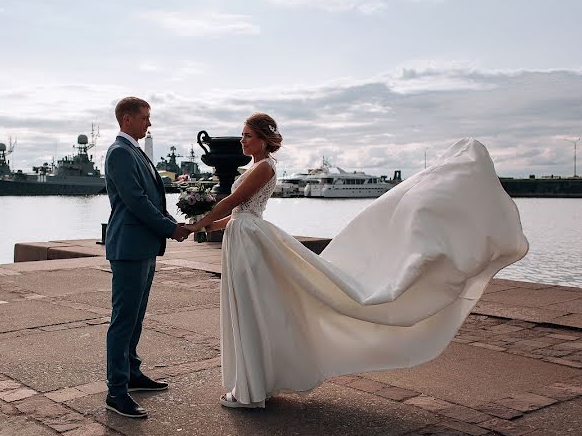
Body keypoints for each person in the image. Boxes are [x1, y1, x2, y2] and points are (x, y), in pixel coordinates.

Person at [185, 113, 529, 408]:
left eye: (247, 136)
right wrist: (207, 226)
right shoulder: (257, 166)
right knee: (250, 305)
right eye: (243, 136)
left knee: (250, 305)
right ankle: (255, 381)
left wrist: (198, 222)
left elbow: (234, 201)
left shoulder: (263, 168)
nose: (242, 141)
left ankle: (250, 390)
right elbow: (236, 213)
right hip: (244, 234)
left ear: (263, 140)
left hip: (249, 239)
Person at [104, 97, 190, 418]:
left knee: (136, 317)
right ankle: (116, 391)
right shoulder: (120, 153)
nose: (149, 124)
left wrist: (169, 226)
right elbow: (137, 202)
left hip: (143, 246)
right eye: (145, 118)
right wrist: (172, 228)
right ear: (127, 119)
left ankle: (133, 373)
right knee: (123, 320)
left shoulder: (134, 151)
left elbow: (150, 197)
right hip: (129, 247)